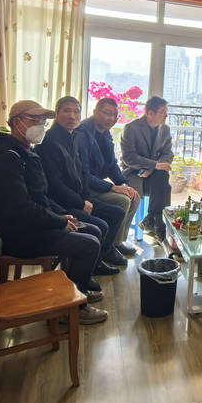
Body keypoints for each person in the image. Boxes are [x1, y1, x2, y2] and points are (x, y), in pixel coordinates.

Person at [0, 100, 107, 324]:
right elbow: (21, 208)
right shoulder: (6, 157)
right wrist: (58, 222)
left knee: (92, 229)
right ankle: (72, 309)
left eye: (43, 121)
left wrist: (62, 214)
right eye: (34, 120)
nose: (40, 126)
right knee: (89, 244)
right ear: (16, 122)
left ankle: (73, 290)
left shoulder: (23, 151)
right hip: (18, 235)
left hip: (31, 225)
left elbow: (40, 197)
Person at [36, 96, 127, 274]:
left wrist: (86, 198)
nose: (72, 116)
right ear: (56, 114)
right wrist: (80, 202)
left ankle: (100, 257)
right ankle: (92, 265)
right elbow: (54, 184)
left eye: (76, 111)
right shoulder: (50, 141)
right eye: (66, 111)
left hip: (77, 198)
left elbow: (82, 174)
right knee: (102, 225)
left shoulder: (73, 136)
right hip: (61, 204)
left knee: (117, 212)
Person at [76, 97, 140, 256]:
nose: (110, 118)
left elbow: (112, 165)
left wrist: (123, 184)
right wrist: (112, 187)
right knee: (123, 200)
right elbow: (84, 175)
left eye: (114, 115)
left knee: (134, 196)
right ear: (95, 112)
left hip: (96, 184)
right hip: (84, 188)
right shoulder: (82, 134)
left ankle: (117, 242)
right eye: (106, 113)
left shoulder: (105, 134)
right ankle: (109, 248)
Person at [120, 95, 173, 240]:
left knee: (163, 175)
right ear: (150, 113)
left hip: (153, 174)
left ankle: (151, 218)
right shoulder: (131, 128)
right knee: (163, 185)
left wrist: (152, 169)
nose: (166, 115)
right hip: (134, 173)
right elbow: (129, 158)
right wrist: (154, 165)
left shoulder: (165, 129)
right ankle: (157, 225)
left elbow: (167, 154)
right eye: (162, 112)